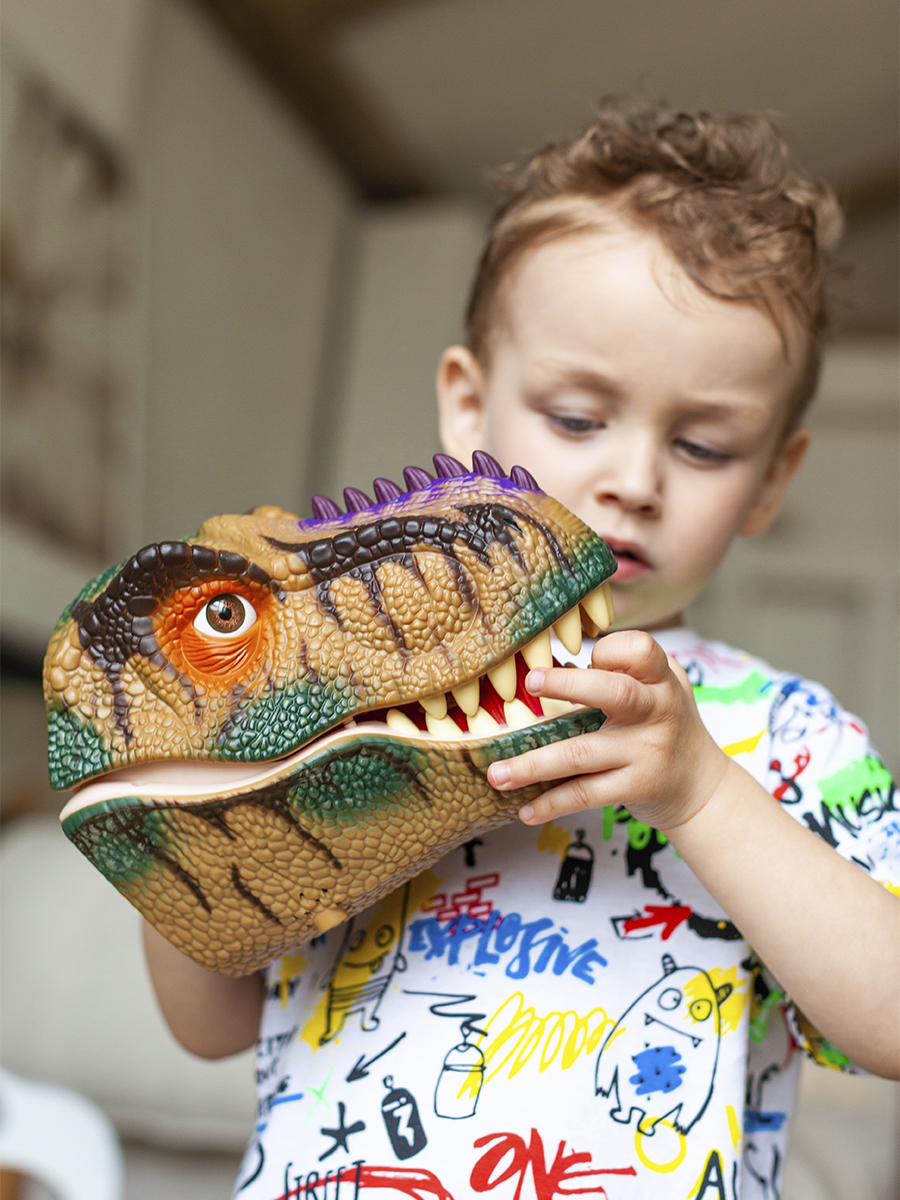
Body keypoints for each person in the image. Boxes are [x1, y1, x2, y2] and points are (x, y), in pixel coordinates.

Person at [144, 105, 899, 1199]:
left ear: (771, 479)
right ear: (470, 406)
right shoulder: (340, 688)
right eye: (579, 419)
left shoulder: (788, 735)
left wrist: (702, 792)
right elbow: (208, 1023)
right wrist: (186, 821)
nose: (633, 480)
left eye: (702, 444)